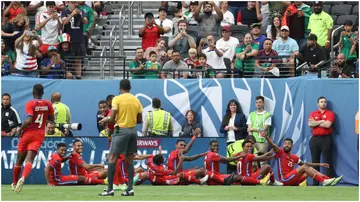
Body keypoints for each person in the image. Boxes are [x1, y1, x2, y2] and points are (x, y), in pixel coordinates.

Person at [99, 79, 143, 197]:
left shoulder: (117, 99)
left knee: (112, 158)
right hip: (133, 131)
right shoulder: (136, 99)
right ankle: (130, 189)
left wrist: (106, 119)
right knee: (129, 160)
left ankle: (110, 189)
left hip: (121, 130)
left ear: (120, 88)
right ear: (130, 88)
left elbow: (112, 119)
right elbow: (139, 120)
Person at [13, 84, 54, 193]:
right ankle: (23, 178)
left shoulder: (30, 103)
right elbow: (51, 119)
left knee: (19, 160)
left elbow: (29, 120)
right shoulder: (48, 104)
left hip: (28, 133)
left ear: (33, 92)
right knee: (30, 160)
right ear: (43, 93)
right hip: (39, 134)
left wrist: (20, 129)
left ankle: (14, 183)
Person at [262, 133, 342, 186]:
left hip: (295, 181)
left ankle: (329, 180)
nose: (286, 145)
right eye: (285, 143)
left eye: (289, 144)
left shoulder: (294, 157)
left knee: (309, 168)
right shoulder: (280, 152)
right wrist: (266, 137)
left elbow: (305, 164)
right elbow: (273, 145)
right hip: (285, 179)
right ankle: (323, 181)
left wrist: (320, 164)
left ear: (292, 146)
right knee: (303, 167)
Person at [204, 140, 269, 185]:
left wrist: (239, 155)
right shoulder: (214, 155)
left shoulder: (207, 154)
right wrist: (271, 154)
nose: (216, 148)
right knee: (267, 167)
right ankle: (261, 181)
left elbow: (230, 159)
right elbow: (227, 160)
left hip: (212, 177)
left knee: (236, 177)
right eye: (214, 146)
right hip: (215, 179)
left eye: (217, 146)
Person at [308, 96, 336, 186]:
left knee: (328, 160)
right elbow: (310, 124)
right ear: (318, 104)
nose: (323, 103)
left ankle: (329, 181)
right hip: (314, 139)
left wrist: (316, 122)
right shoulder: (313, 113)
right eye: (321, 102)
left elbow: (328, 125)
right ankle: (315, 183)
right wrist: (321, 121)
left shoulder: (330, 113)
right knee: (314, 161)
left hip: (326, 139)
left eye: (325, 102)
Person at [61, 1, 88, 79]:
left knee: (78, 59)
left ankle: (78, 77)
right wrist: (72, 14)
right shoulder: (65, 12)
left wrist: (80, 15)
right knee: (68, 60)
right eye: (72, 3)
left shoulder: (81, 11)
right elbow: (64, 22)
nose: (74, 4)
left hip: (79, 38)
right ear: (68, 3)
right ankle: (68, 76)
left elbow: (86, 21)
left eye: (75, 3)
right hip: (68, 39)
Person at [247, 96, 272, 165]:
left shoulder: (267, 115)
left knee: (263, 162)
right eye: (257, 102)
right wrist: (250, 140)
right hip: (253, 141)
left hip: (263, 142)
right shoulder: (251, 114)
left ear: (263, 103)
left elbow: (264, 129)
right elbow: (249, 129)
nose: (258, 104)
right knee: (253, 162)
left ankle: (265, 175)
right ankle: (253, 176)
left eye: (260, 102)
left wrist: (253, 129)